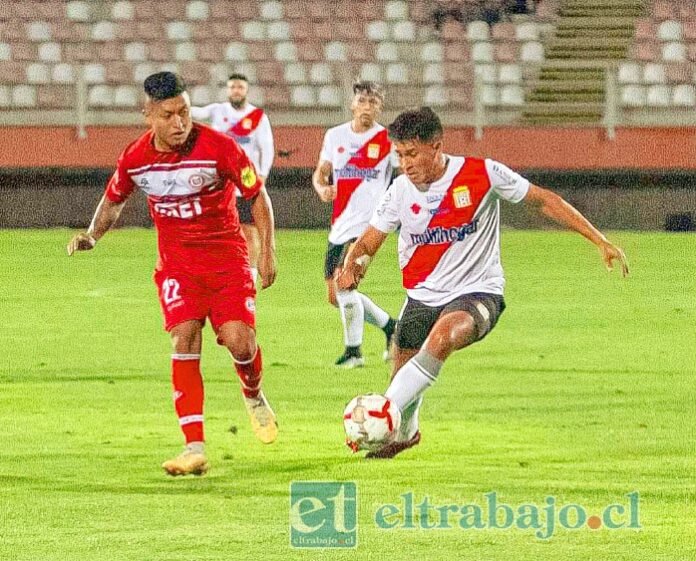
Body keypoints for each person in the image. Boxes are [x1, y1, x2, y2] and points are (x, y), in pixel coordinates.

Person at [338, 107, 629, 458]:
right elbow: (369, 241)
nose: (405, 164)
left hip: (478, 293)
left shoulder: (482, 174)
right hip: (421, 296)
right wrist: (354, 265)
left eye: (412, 154)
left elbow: (543, 202)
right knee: (405, 374)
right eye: (399, 155)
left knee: (442, 338)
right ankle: (405, 432)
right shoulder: (399, 191)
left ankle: (380, 414)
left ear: (437, 146)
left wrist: (599, 239)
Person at [67, 72, 278, 476]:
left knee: (239, 341)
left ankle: (252, 393)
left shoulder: (220, 148)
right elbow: (114, 199)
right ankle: (193, 445)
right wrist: (93, 235)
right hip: (178, 266)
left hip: (227, 260)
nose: (179, 123)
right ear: (148, 114)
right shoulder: (135, 158)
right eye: (168, 115)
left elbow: (256, 196)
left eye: (184, 112)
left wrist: (267, 252)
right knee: (184, 334)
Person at [312, 81, 400, 369]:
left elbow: (404, 175)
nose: (367, 107)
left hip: (368, 226)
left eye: (373, 102)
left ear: (380, 107)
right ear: (353, 104)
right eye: (362, 101)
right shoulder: (335, 136)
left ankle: (354, 352)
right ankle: (391, 328)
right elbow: (321, 172)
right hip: (340, 224)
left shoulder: (387, 140)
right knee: (335, 296)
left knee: (345, 286)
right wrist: (322, 187)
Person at [191, 73, 274, 285]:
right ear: (228, 90)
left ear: (246, 90)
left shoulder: (257, 117)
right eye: (233, 87)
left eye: (240, 87)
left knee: (249, 229)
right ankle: (216, 272)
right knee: (215, 229)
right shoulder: (218, 111)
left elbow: (267, 147)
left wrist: (263, 174)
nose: (236, 90)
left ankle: (250, 275)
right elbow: (196, 113)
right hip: (220, 183)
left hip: (245, 182)